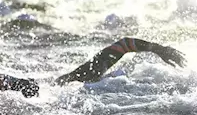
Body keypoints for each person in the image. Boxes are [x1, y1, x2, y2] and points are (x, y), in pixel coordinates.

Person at [1, 37, 186, 100]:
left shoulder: (77, 79)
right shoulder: (78, 81)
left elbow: (123, 44)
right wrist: (159, 49)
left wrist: (158, 49)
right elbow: (123, 45)